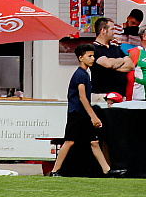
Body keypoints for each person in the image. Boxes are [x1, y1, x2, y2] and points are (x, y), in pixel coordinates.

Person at [50, 44, 124, 178]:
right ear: (81, 58)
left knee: (94, 142)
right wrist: (93, 116)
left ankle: (106, 170)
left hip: (83, 114)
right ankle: (55, 170)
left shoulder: (85, 74)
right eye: (89, 56)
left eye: (93, 56)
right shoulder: (80, 75)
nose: (92, 59)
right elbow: (82, 97)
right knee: (69, 141)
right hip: (76, 113)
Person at [90, 17, 133, 102]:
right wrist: (122, 61)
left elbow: (131, 64)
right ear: (103, 30)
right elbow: (108, 63)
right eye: (112, 29)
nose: (114, 32)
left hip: (120, 96)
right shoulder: (94, 49)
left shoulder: (116, 48)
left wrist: (114, 66)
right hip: (103, 96)